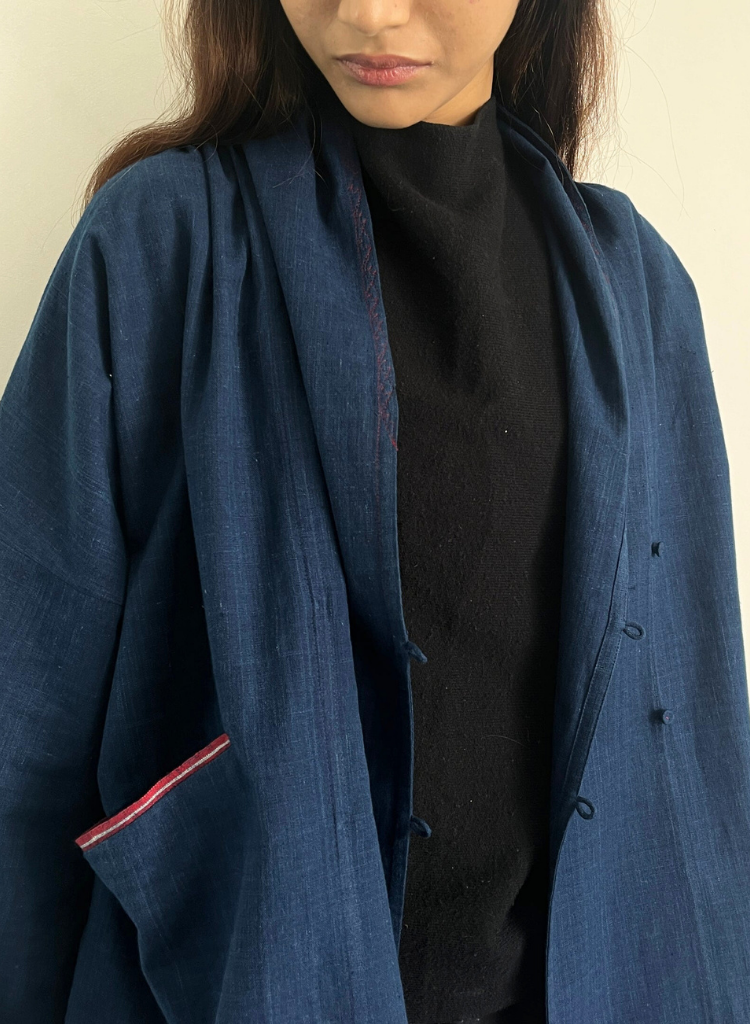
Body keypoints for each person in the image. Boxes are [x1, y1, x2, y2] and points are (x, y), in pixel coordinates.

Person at [1, 0, 749, 1022]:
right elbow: (23, 737)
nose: (365, 12)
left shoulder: (640, 295)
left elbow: (700, 759)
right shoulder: (159, 251)